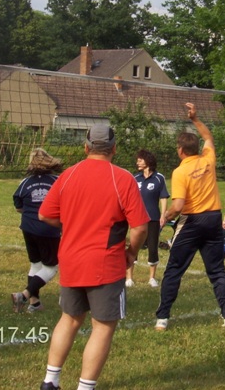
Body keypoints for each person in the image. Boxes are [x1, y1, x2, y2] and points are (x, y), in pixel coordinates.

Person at [37, 125, 149, 390]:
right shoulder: (122, 178)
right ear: (114, 149)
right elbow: (140, 227)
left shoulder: (67, 175)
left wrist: (71, 225)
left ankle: (50, 381)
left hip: (71, 260)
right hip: (105, 263)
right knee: (103, 326)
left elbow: (44, 214)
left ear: (86, 147)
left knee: (69, 318)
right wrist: (131, 253)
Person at [155, 102, 225, 331]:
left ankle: (162, 318)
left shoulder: (180, 171)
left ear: (181, 150)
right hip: (213, 219)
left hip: (191, 222)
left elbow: (178, 205)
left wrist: (165, 216)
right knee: (217, 271)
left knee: (174, 270)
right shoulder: (208, 159)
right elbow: (208, 136)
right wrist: (195, 119)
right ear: (196, 148)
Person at [11, 148, 63, 313]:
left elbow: (18, 207)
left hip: (28, 227)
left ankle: (35, 304)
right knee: (51, 268)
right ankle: (24, 295)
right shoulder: (57, 180)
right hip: (49, 228)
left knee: (35, 265)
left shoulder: (25, 182)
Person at [126, 149, 169, 288]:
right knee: (134, 245)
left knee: (152, 247)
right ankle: (129, 278)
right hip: (137, 218)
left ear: (148, 161)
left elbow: (163, 197)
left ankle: (152, 278)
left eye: (140, 160)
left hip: (153, 218)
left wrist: (163, 215)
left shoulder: (159, 178)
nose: (137, 162)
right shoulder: (135, 178)